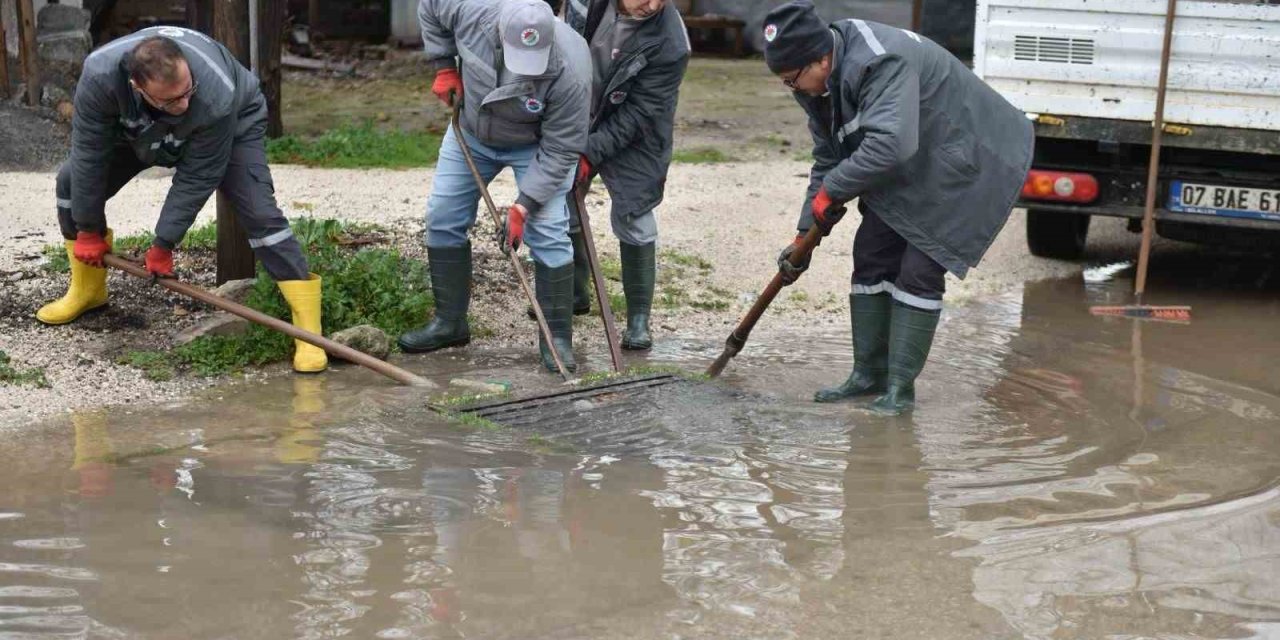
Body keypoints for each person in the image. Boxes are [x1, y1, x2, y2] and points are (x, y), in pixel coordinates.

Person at [762, 0, 1033, 415]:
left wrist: (832, 190)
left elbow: (891, 144)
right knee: (870, 254)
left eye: (793, 80)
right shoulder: (816, 81)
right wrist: (805, 233)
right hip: (915, 160)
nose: (794, 89)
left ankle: (899, 389)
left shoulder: (878, 59)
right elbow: (829, 156)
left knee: (918, 270)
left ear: (820, 57)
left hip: (969, 157)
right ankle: (867, 375)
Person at [38, 27, 326, 373]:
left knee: (261, 214)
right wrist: (87, 230)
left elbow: (198, 176)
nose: (184, 103)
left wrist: (163, 243)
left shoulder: (213, 95)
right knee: (71, 184)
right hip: (140, 128)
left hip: (231, 122)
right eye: (173, 99)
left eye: (187, 91)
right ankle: (88, 291)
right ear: (137, 86)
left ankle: (308, 329)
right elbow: (89, 154)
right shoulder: (99, 77)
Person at [399, 0, 591, 373]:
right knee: (442, 216)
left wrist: (524, 206)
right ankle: (450, 323)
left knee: (549, 232)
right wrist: (443, 67)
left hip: (536, 145)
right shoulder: (470, 9)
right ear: (499, 33)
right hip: (472, 132)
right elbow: (429, 7)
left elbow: (561, 149)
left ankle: (557, 340)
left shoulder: (573, 65)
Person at [561, 0, 690, 350]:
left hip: (638, 130)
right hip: (579, 112)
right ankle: (572, 294)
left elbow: (642, 112)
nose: (652, 4)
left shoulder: (671, 39)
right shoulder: (584, 5)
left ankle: (638, 319)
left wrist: (590, 152)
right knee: (562, 200)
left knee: (635, 213)